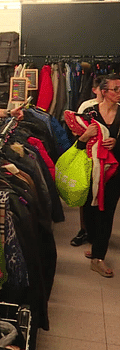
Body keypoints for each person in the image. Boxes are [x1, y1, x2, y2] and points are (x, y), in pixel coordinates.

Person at [72, 74, 120, 278]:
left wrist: (117, 144)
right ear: (103, 91)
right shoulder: (90, 113)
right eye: (115, 89)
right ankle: (94, 242)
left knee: (107, 212)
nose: (119, 92)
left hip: (115, 171)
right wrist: (86, 135)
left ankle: (98, 257)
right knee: (91, 211)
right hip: (91, 170)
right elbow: (78, 145)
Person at [71, 76, 106, 247]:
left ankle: (99, 233)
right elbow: (76, 131)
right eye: (103, 90)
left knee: (104, 198)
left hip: (107, 159)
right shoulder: (87, 107)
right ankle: (84, 229)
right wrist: (87, 135)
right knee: (85, 196)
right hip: (88, 157)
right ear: (95, 90)